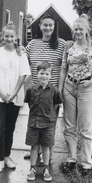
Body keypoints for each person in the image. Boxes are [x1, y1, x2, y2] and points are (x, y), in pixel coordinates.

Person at [58, 14, 92, 175]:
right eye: (76, 29)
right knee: (69, 127)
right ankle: (71, 159)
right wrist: (60, 89)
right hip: (69, 87)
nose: (78, 32)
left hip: (86, 89)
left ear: (86, 31)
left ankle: (86, 164)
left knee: (86, 128)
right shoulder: (69, 48)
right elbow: (63, 69)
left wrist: (91, 82)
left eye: (81, 29)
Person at [0, 21, 30, 173]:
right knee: (0, 127)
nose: (9, 39)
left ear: (15, 37)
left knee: (10, 128)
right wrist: (0, 91)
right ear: (3, 37)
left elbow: (23, 75)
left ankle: (6, 156)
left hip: (15, 96)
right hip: (0, 97)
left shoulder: (21, 54)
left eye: (12, 36)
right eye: (6, 36)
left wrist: (13, 93)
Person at [24, 13, 66, 164]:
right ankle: (36, 150)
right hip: (36, 92)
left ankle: (48, 154)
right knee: (36, 122)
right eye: (45, 25)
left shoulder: (61, 44)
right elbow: (22, 58)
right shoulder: (32, 44)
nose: (48, 28)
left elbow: (65, 67)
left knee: (49, 124)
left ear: (54, 27)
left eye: (51, 25)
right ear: (40, 26)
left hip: (52, 92)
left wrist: (60, 90)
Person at [24, 61, 63, 182]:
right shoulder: (31, 90)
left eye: (47, 74)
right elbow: (30, 104)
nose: (44, 76)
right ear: (37, 74)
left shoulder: (55, 91)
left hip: (48, 124)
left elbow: (56, 104)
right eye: (42, 73)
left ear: (50, 75)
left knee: (46, 147)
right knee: (34, 146)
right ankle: (32, 168)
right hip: (34, 123)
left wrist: (49, 113)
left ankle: (46, 169)